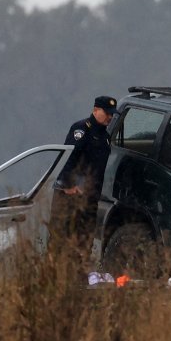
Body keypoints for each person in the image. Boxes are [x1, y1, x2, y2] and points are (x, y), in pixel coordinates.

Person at [50, 95, 117, 250]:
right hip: (71, 195)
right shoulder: (81, 129)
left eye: (112, 114)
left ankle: (80, 274)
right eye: (107, 113)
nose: (110, 117)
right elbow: (69, 157)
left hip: (90, 197)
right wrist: (68, 185)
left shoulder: (105, 137)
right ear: (95, 110)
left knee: (84, 242)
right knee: (61, 241)